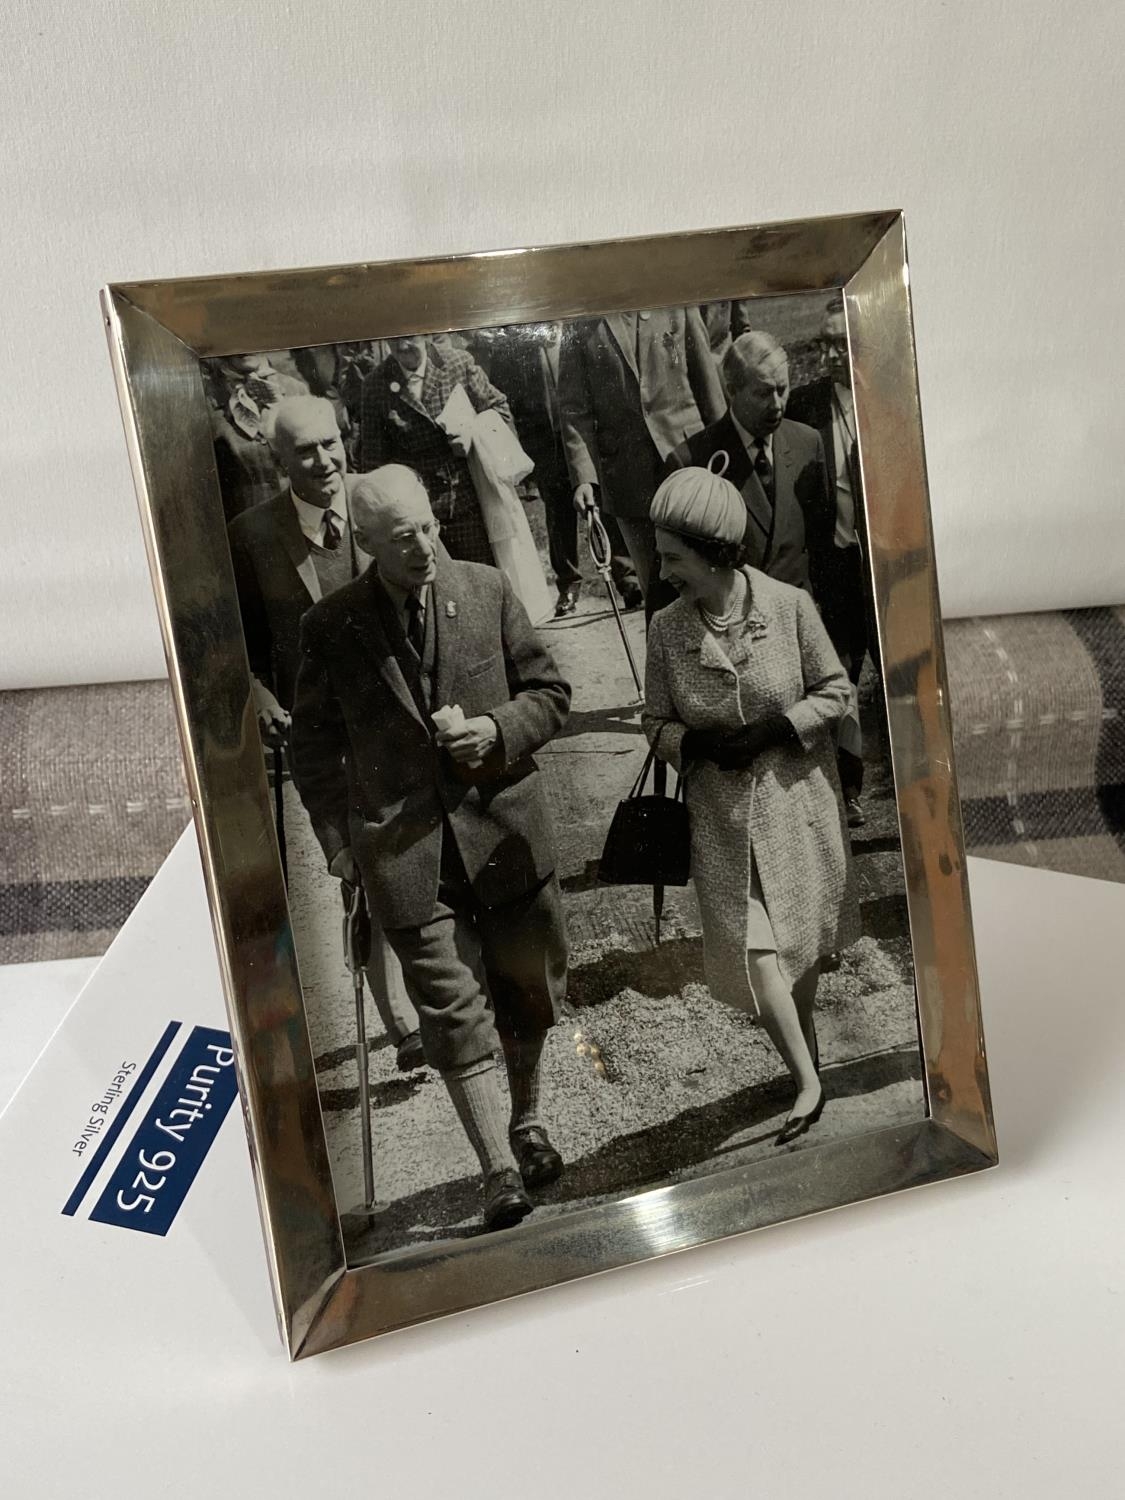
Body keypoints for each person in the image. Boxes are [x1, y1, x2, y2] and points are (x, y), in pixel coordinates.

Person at [290, 464, 571, 1230]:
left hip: (505, 833)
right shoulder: (332, 628)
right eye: (401, 536)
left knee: (527, 992)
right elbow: (311, 752)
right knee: (451, 1012)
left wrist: (497, 731)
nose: (422, 544)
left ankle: (526, 1120)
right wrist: (337, 844)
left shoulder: (484, 589)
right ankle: (497, 1171)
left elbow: (550, 695)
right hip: (403, 852)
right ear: (368, 543)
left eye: (427, 525)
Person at [642, 466, 860, 1143]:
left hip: (795, 807)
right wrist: (696, 742)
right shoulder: (664, 628)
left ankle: (805, 1059)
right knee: (756, 952)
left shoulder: (787, 606)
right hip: (721, 822)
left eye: (671, 554)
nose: (661, 566)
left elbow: (835, 691)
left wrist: (773, 728)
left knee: (796, 949)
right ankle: (807, 1083)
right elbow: (652, 722)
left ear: (712, 549)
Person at [226, 395, 423, 1072]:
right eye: (304, 451)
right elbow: (229, 642)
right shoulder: (249, 537)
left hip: (399, 723)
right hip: (322, 739)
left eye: (330, 444)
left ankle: (434, 999)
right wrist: (254, 690)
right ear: (277, 460)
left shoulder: (381, 512)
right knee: (357, 869)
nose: (323, 462)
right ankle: (401, 1023)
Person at [557, 307, 725, 611]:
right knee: (659, 590)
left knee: (711, 571)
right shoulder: (580, 321)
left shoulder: (675, 302)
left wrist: (730, 448)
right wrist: (584, 478)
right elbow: (573, 408)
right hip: (629, 478)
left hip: (690, 461)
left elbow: (707, 382)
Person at [788, 304, 877, 825]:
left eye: (840, 343)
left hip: (889, 569)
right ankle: (847, 791)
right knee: (839, 676)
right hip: (837, 567)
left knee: (897, 682)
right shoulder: (805, 407)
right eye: (824, 344)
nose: (830, 354)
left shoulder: (893, 397)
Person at [487, 322, 636, 618]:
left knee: (602, 502)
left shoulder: (576, 333)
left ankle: (627, 577)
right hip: (545, 443)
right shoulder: (511, 347)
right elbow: (501, 398)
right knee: (557, 511)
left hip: (584, 439)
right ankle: (569, 584)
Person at [668, 331, 830, 595]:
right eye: (763, 393)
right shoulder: (692, 461)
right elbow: (672, 573)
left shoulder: (807, 444)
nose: (777, 404)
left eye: (782, 389)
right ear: (732, 391)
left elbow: (822, 549)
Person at [356, 334, 512, 566]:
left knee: (481, 579)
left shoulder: (458, 364)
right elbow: (372, 463)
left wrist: (473, 432)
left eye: (409, 337)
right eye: (392, 340)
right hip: (417, 518)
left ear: (427, 334)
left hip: (468, 505)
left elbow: (500, 409)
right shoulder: (375, 385)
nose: (401, 346)